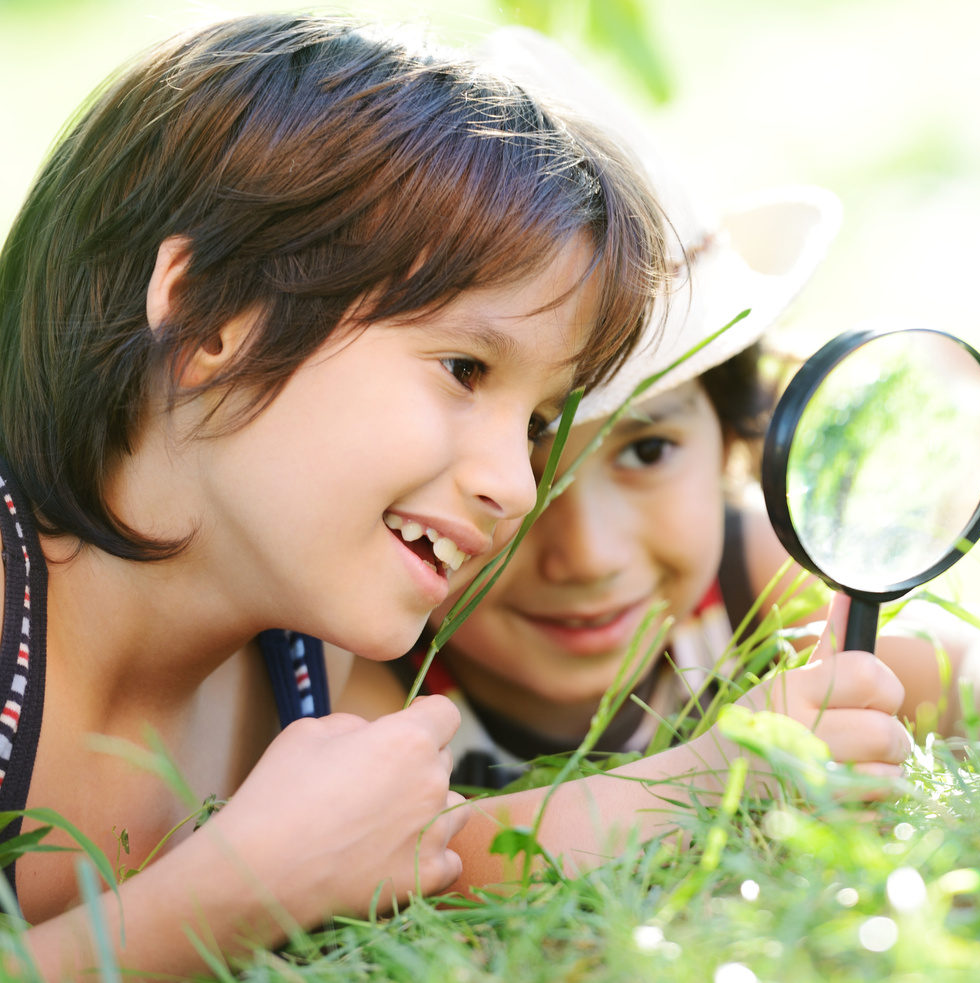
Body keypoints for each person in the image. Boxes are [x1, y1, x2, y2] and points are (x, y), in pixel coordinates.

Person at [0, 14, 912, 978]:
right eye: (465, 367)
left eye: (533, 424)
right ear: (206, 316)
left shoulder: (309, 664)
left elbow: (439, 854)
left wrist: (725, 773)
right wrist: (238, 891)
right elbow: (294, 876)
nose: (516, 487)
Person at [341, 30, 980, 794]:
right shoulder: (375, 656)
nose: (589, 553)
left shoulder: (749, 575)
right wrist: (712, 774)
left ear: (734, 441)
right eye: (535, 457)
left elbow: (954, 667)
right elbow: (428, 861)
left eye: (648, 450)